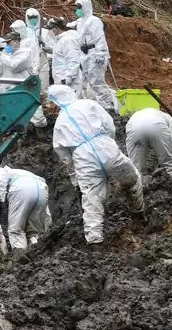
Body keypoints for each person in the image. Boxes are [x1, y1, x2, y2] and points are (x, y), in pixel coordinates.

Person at [48, 84, 144, 244]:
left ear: (57, 101)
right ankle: (138, 216)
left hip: (82, 158)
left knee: (92, 200)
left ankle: (95, 243)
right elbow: (109, 124)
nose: (50, 107)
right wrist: (108, 141)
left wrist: (76, 181)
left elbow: (65, 157)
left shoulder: (59, 124)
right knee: (132, 178)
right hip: (105, 145)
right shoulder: (87, 104)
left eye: (51, 103)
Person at [74, 0, 118, 112]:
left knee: (97, 82)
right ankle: (96, 107)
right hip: (84, 54)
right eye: (76, 8)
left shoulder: (93, 21)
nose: (77, 10)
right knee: (88, 83)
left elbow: (99, 38)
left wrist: (101, 53)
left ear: (85, 7)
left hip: (94, 54)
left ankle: (108, 107)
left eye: (79, 7)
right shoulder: (80, 22)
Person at [0, 166, 50, 250]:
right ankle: (38, 251)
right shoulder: (23, 173)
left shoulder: (3, 171)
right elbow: (46, 214)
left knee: (16, 230)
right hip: (42, 190)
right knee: (34, 231)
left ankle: (20, 256)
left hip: (21, 189)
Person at [125, 107, 172, 177]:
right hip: (157, 125)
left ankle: (140, 185)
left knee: (137, 168)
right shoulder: (170, 119)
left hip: (134, 127)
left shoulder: (138, 115)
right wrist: (169, 155)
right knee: (170, 164)